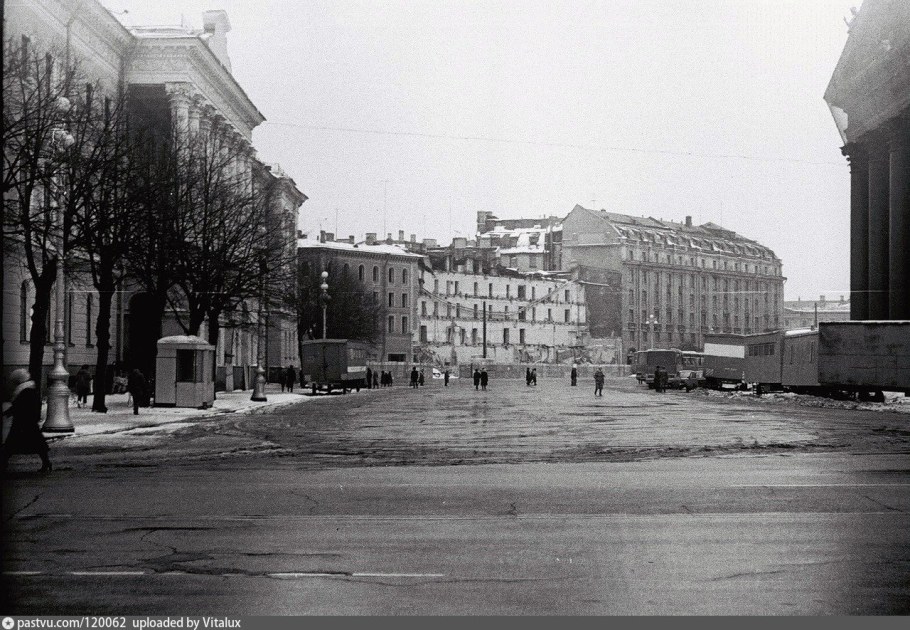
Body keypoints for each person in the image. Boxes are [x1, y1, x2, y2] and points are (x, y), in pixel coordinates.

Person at [1, 369, 52, 473]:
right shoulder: (29, 389)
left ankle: (3, 464)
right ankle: (46, 463)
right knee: (38, 444)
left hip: (23, 422)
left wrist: (9, 412)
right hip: (28, 422)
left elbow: (19, 406)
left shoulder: (24, 391)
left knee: (11, 445)